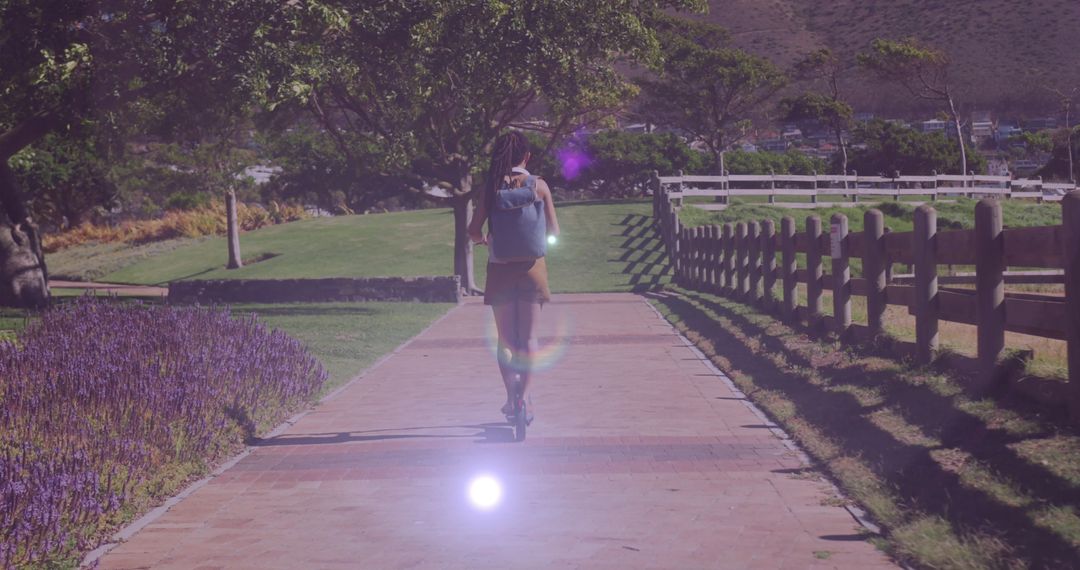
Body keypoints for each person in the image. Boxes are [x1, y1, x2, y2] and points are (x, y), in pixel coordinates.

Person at [468, 130, 560, 420]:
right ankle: (526, 402)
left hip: (500, 268)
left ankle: (511, 398)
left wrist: (483, 239)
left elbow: (473, 231)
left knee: (506, 340)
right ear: (527, 156)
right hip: (533, 268)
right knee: (529, 338)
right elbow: (554, 231)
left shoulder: (490, 188)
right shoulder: (540, 186)